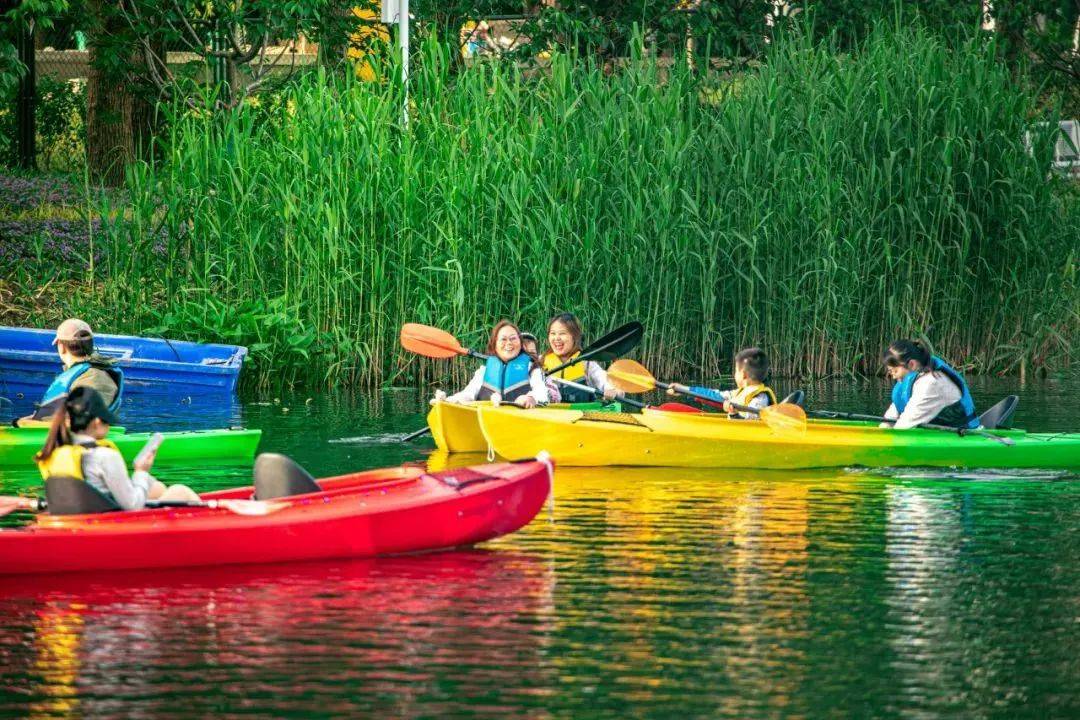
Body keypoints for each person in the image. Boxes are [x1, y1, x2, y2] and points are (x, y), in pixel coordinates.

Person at [35, 387, 199, 510]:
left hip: (78, 519)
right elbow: (132, 505)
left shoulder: (55, 452)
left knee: (156, 488)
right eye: (107, 421)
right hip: (110, 525)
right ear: (97, 422)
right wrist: (141, 471)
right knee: (180, 491)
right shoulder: (104, 456)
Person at [15, 318, 123, 427]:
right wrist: (30, 421)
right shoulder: (82, 376)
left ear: (61, 347)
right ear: (90, 345)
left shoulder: (94, 377)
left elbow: (84, 425)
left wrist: (24, 423)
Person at [435, 320, 549, 408]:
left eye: (513, 338)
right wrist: (450, 401)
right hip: (489, 417)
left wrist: (531, 398)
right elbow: (469, 393)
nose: (508, 343)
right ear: (494, 344)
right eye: (503, 339)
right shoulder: (483, 371)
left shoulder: (533, 369)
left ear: (520, 343)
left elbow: (542, 394)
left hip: (523, 419)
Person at [881, 340, 978, 429]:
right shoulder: (908, 379)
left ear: (911, 364)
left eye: (895, 371)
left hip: (962, 436)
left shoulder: (931, 383)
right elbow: (890, 418)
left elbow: (903, 426)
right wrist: (883, 428)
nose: (893, 377)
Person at [667, 347, 776, 419]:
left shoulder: (760, 398)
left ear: (743, 375)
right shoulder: (738, 392)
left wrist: (734, 414)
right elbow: (714, 395)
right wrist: (683, 389)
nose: (735, 374)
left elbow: (750, 425)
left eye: (736, 371)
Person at [541, 313, 621, 404]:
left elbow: (604, 379)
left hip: (579, 415)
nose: (556, 338)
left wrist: (612, 389)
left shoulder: (586, 364)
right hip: (548, 415)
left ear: (574, 337)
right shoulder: (539, 362)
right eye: (553, 333)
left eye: (562, 333)